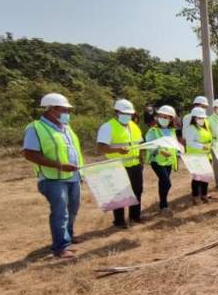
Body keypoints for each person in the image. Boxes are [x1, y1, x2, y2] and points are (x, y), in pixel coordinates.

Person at [22, 93, 84, 259]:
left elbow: (74, 152)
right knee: (60, 212)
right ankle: (60, 247)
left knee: (73, 209)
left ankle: (68, 237)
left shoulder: (66, 128)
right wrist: (60, 165)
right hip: (53, 179)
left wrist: (80, 173)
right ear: (51, 110)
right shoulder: (35, 128)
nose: (67, 113)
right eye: (64, 110)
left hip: (73, 177)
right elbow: (29, 154)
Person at [97, 99, 144, 228]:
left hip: (134, 164)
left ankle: (135, 216)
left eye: (130, 114)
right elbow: (101, 147)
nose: (128, 116)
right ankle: (119, 221)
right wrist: (117, 150)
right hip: (117, 165)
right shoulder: (107, 127)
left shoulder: (133, 126)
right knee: (120, 194)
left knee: (137, 191)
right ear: (116, 112)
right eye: (125, 113)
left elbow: (138, 144)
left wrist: (141, 159)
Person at [145, 105, 180, 213]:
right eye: (161, 116)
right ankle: (163, 204)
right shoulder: (153, 130)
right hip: (157, 160)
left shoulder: (172, 131)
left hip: (169, 161)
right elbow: (149, 145)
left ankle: (163, 205)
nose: (163, 119)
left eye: (166, 117)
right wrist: (160, 151)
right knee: (167, 182)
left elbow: (174, 144)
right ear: (157, 117)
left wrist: (178, 151)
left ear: (171, 119)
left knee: (163, 182)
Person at [183, 107, 213, 204]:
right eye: (199, 118)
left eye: (203, 118)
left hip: (206, 156)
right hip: (195, 156)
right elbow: (190, 143)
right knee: (197, 177)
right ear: (194, 118)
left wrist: (211, 145)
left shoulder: (203, 128)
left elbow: (209, 140)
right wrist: (203, 146)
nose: (201, 120)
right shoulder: (190, 128)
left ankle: (204, 195)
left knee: (205, 177)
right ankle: (195, 196)